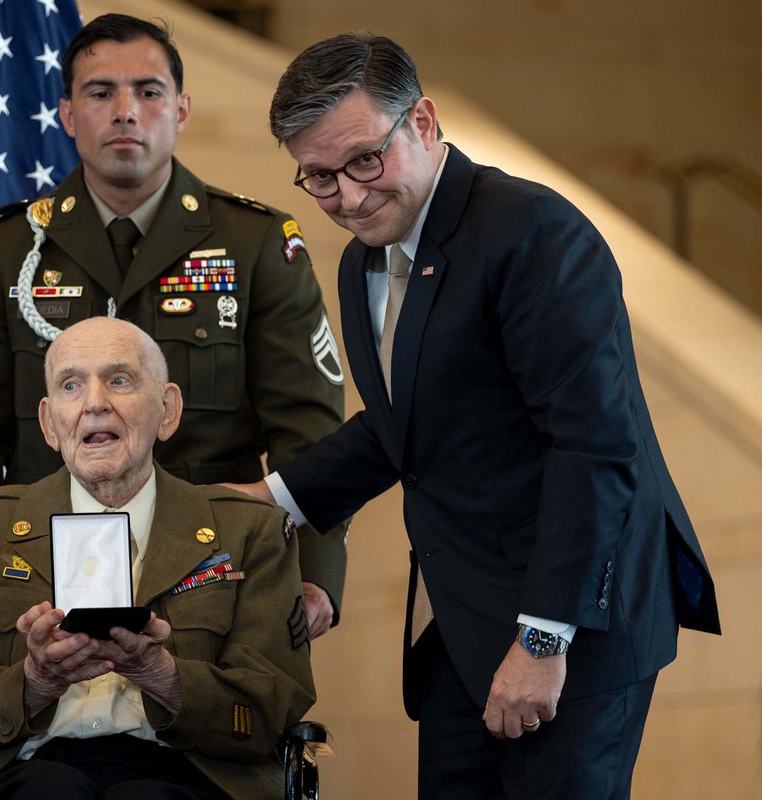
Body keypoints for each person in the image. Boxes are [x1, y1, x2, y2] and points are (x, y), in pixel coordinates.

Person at [228, 32, 721, 798]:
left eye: (365, 161)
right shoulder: (365, 257)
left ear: (422, 122)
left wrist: (543, 639)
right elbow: (405, 425)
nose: (349, 198)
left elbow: (594, 448)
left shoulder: (533, 233)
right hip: (457, 627)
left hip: (568, 626)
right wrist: (274, 500)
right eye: (320, 177)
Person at [0, 14, 349, 638]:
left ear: (181, 110)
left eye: (148, 91)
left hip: (214, 576)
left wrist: (312, 571)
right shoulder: (5, 248)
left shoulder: (254, 243)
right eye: (101, 93)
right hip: (39, 586)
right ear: (68, 115)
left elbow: (307, 429)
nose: (125, 111)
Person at [0, 317, 315, 800]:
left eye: (119, 380)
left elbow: (274, 707)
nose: (94, 403)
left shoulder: (251, 531)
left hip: (191, 774)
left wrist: (163, 675)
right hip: (23, 771)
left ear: (167, 410)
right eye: (71, 385)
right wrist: (32, 683)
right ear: (49, 423)